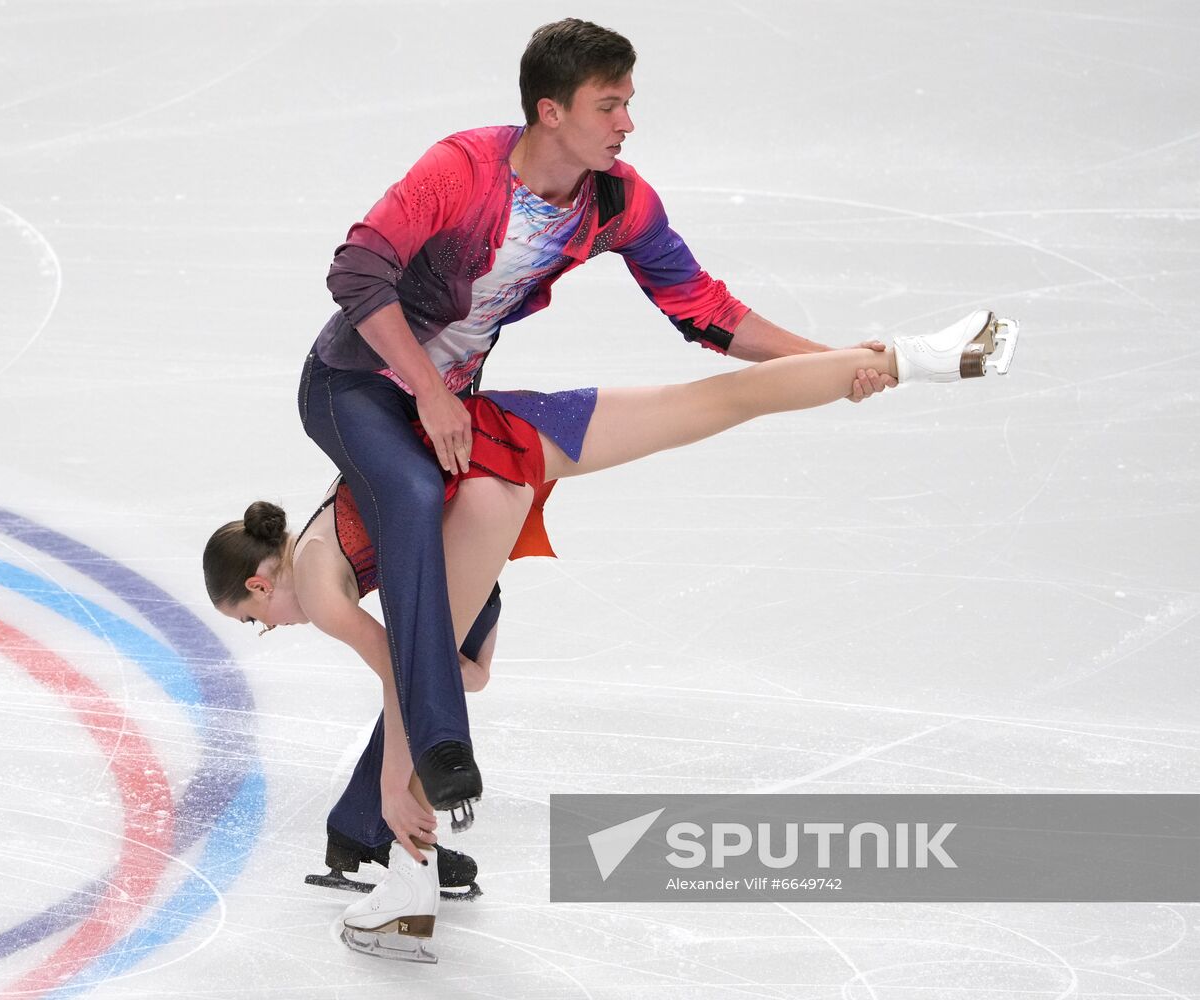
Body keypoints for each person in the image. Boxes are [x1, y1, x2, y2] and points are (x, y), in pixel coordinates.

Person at [209, 309, 1020, 962]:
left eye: (253, 623)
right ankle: (911, 358)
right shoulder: (325, 505)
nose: (268, 629)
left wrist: (409, 764)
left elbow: (410, 677)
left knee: (423, 714)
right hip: (503, 432)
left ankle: (406, 889)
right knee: (712, 400)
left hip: (483, 494)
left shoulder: (321, 591)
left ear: (259, 585)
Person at [297, 17, 898, 852]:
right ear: (550, 111)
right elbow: (356, 271)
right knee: (409, 493)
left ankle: (363, 823)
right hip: (355, 385)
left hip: (450, 402)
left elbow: (702, 308)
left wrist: (832, 363)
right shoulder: (461, 168)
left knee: (465, 576)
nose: (626, 123)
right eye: (608, 106)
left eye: (627, 103)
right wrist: (430, 392)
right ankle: (439, 745)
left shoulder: (615, 200)